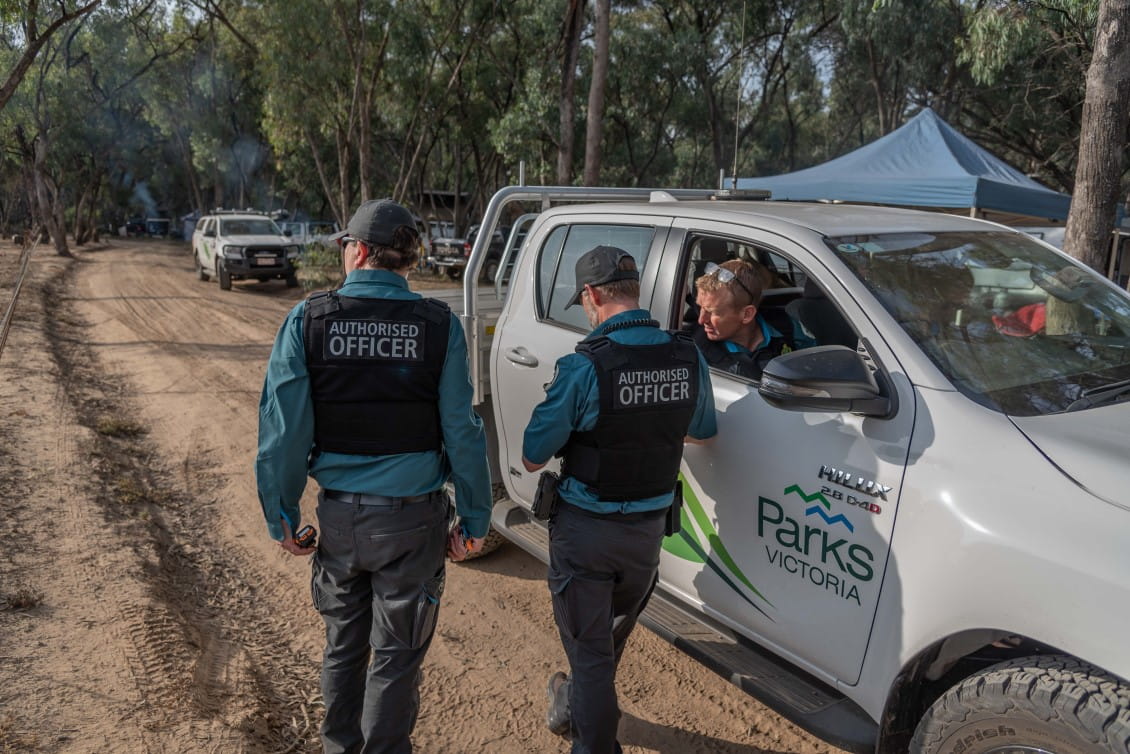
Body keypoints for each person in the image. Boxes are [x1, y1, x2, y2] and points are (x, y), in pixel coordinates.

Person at [254, 198, 492, 754]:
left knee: (343, 646)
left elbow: (282, 433)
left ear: (358, 251)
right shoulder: (439, 327)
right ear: (407, 260)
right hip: (413, 525)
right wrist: (475, 517)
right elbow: (463, 430)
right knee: (396, 657)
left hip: (340, 520)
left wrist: (282, 515)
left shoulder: (308, 320)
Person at [522, 246, 717, 754]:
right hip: (647, 535)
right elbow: (701, 430)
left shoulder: (584, 365)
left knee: (589, 659)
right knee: (601, 650)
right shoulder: (686, 354)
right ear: (634, 290)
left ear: (590, 296)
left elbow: (531, 455)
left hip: (586, 532)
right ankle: (573, 704)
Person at [692, 258, 815, 380]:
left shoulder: (786, 327)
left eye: (712, 312)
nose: (701, 320)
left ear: (747, 314)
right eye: (700, 307)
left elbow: (816, 365)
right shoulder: (696, 352)